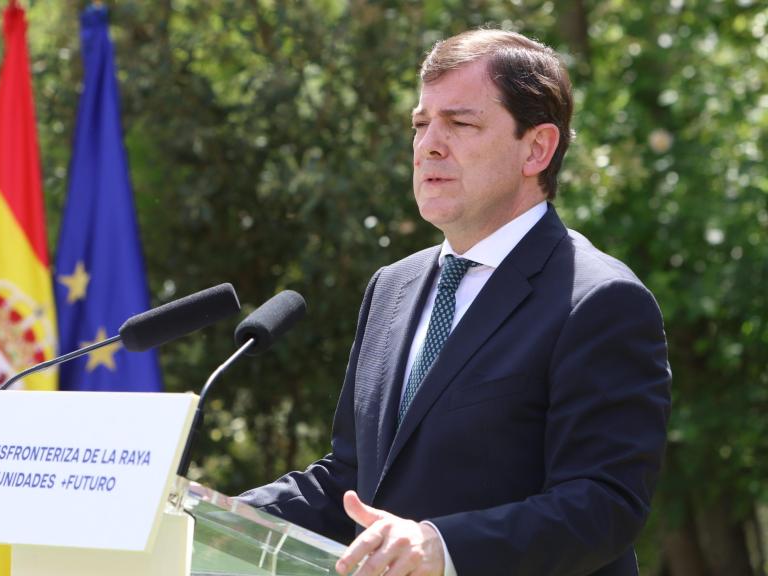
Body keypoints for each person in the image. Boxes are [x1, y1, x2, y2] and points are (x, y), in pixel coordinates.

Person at [238, 29, 671, 576]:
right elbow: (352, 478)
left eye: (460, 123)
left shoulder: (601, 300)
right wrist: (216, 513)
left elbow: (603, 505)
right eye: (421, 124)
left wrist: (444, 547)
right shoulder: (391, 287)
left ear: (537, 148)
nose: (429, 145)